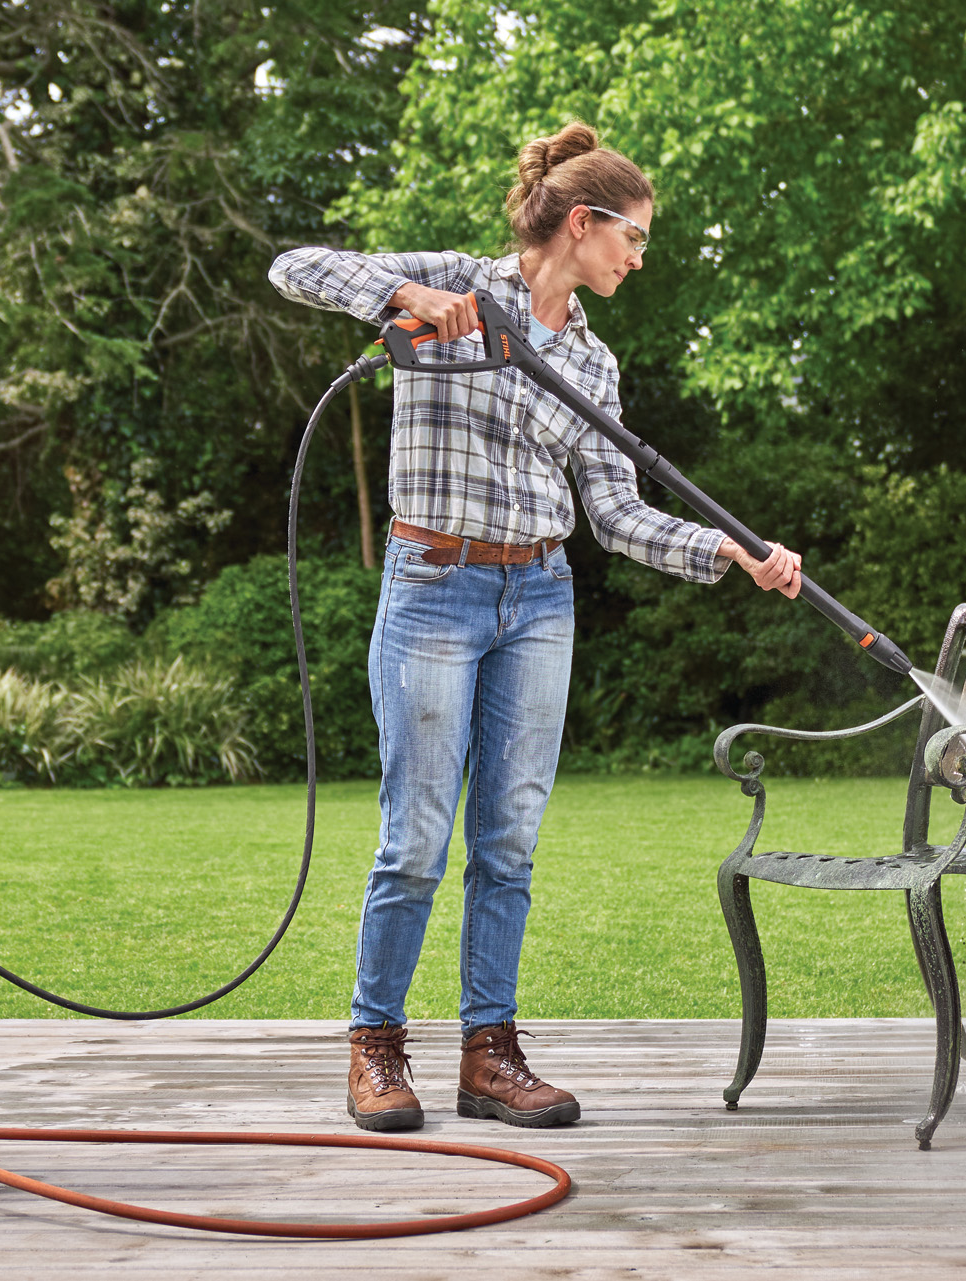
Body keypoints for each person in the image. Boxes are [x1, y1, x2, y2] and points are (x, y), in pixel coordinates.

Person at [268, 121, 802, 1132]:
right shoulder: (456, 284)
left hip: (540, 600)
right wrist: (402, 297)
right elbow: (292, 265)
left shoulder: (592, 366)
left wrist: (723, 552)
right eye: (632, 239)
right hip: (433, 589)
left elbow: (617, 514)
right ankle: (376, 1048)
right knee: (417, 839)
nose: (638, 259)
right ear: (583, 222)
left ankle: (490, 1055)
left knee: (507, 841)